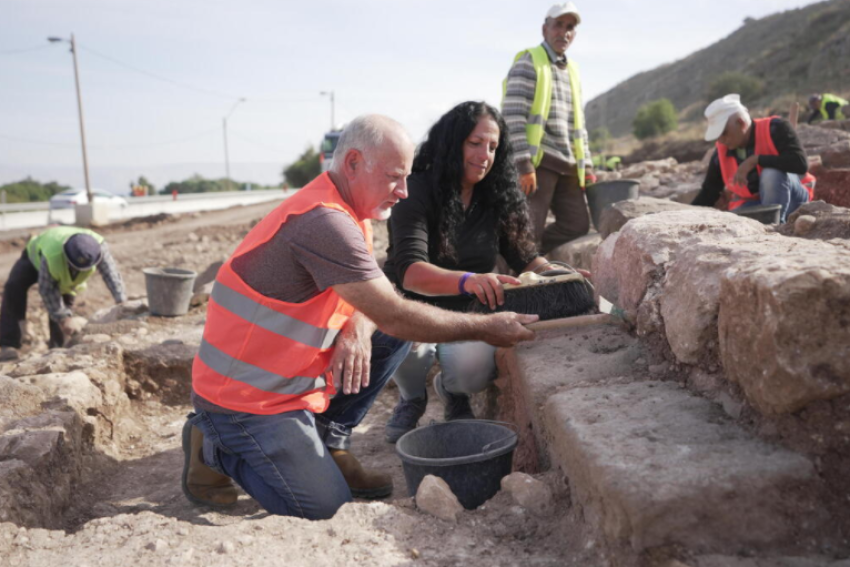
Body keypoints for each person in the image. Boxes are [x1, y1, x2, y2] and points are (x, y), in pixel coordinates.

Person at [182, 115, 538, 519]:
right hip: (245, 400)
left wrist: (356, 324)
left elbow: (379, 299)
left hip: (287, 383)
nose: (403, 191)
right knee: (323, 506)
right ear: (353, 163)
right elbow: (396, 313)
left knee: (387, 335)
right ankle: (214, 446)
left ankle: (327, 439)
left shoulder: (351, 210)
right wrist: (487, 327)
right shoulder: (324, 221)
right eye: (394, 177)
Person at [381, 101, 553, 443]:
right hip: (410, 306)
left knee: (472, 369)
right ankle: (412, 397)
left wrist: (560, 274)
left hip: (468, 312)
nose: (485, 155)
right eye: (475, 143)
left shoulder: (495, 196)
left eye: (492, 147)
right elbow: (410, 272)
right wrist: (468, 280)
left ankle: (452, 391)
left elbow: (526, 259)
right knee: (390, 339)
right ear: (452, 142)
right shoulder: (416, 189)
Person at [502, 2, 593, 254]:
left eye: (570, 27)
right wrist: (523, 164)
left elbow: (579, 124)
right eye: (558, 25)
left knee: (577, 225)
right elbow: (512, 116)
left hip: (569, 164)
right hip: (538, 164)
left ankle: (534, 256)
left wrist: (587, 164)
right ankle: (513, 281)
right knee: (527, 231)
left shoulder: (572, 70)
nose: (563, 32)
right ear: (545, 29)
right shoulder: (529, 61)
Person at [0, 226, 127, 361]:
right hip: (34, 258)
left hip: (63, 271)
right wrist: (63, 318)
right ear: (67, 258)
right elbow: (47, 289)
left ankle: (57, 349)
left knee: (64, 307)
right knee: (14, 287)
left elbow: (111, 274)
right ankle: (9, 343)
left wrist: (121, 301)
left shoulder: (99, 248)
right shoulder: (52, 255)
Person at [692, 94, 815, 223]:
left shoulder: (776, 128)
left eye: (724, 133)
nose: (721, 140)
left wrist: (755, 160)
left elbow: (800, 164)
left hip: (792, 199)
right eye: (718, 136)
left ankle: (775, 227)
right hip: (753, 205)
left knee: (771, 174)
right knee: (733, 221)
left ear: (741, 123)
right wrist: (685, 213)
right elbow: (709, 192)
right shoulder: (721, 152)